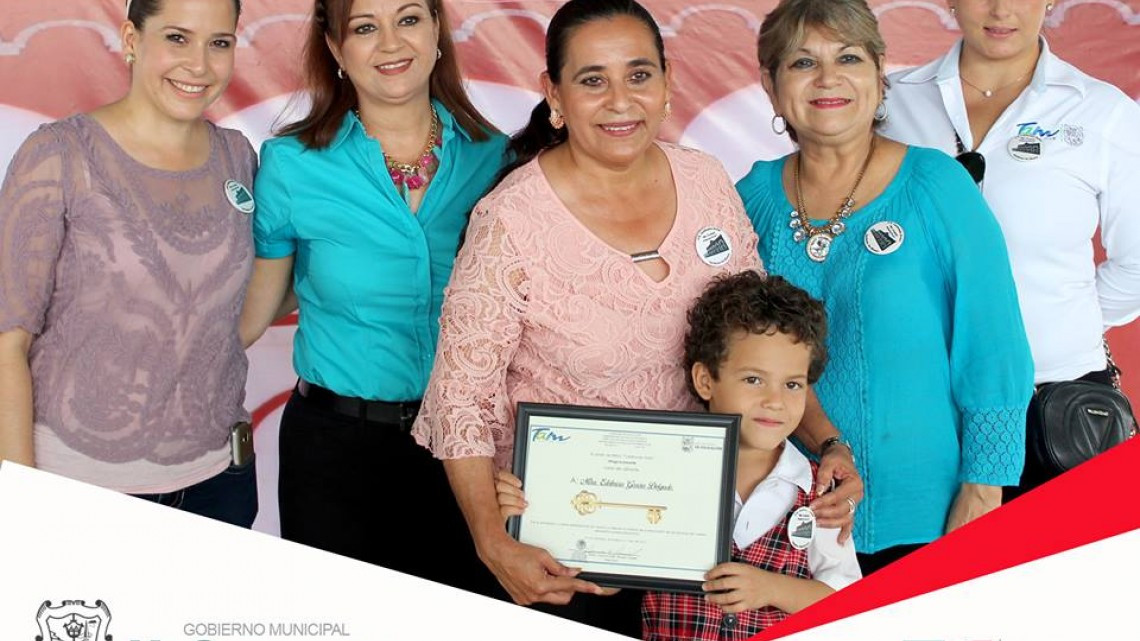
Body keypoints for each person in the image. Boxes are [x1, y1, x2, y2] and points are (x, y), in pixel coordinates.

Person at [410, 0, 862, 634]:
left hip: (703, 536)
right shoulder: (510, 220)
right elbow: (459, 399)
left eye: (639, 74)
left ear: (668, 82)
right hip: (564, 544)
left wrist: (829, 444)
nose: (620, 100)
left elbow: (766, 341)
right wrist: (493, 540)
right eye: (593, 79)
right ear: (554, 93)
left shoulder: (704, 181)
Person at [736, 0, 1035, 575]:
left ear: (879, 75)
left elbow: (993, 346)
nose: (828, 79)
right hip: (781, 522)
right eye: (802, 63)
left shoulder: (936, 184)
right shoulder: (749, 197)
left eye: (848, 58)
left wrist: (985, 486)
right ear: (772, 88)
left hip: (928, 511)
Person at [237, 0, 507, 591]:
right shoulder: (290, 164)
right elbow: (255, 309)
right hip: (334, 451)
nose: (391, 42)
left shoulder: (500, 158)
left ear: (437, 31)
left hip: (467, 451)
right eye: (364, 27)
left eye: (409, 19)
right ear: (336, 50)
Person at [0, 0, 258, 527]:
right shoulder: (59, 155)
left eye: (219, 43)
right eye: (177, 39)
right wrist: (22, 502)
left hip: (221, 483)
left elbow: (233, 316)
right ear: (131, 39)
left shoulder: (240, 158)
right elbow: (7, 342)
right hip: (79, 489)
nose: (200, 66)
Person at [496, 271, 862, 640]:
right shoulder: (662, 470)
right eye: (753, 379)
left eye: (792, 384)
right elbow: (610, 576)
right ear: (705, 381)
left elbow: (850, 601)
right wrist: (529, 508)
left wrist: (772, 589)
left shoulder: (820, 493)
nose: (775, 400)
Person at [880, 0, 1140, 498]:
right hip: (919, 401)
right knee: (924, 575)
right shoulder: (892, 103)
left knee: (1053, 573)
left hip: (1051, 405)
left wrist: (1053, 323)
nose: (1001, 9)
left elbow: (1136, 265)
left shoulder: (1100, 111)